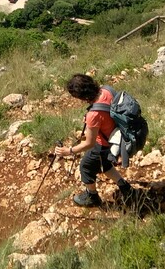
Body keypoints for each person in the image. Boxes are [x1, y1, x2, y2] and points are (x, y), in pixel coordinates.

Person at [54, 73, 135, 207]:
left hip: (103, 144)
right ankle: (125, 187)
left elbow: (89, 143)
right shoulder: (107, 90)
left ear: (82, 96)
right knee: (106, 165)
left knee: (86, 167)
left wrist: (68, 151)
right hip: (116, 137)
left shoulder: (94, 114)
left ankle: (92, 197)